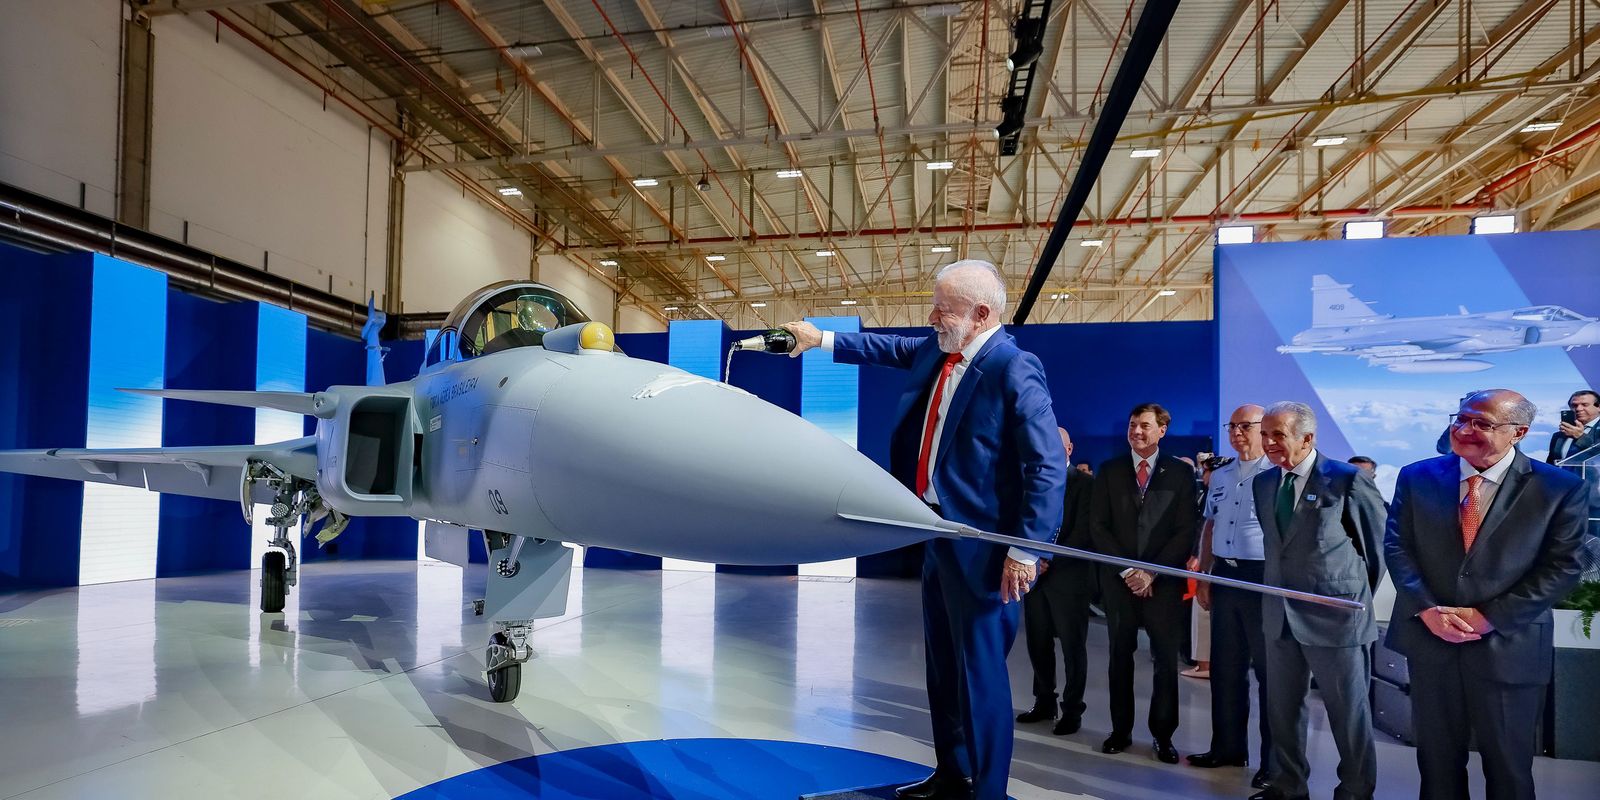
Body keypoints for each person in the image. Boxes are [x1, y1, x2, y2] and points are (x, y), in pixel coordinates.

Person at [780, 260, 1066, 800]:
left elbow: (1047, 466)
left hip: (985, 552)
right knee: (942, 668)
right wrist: (820, 339)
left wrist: (1025, 551)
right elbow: (888, 348)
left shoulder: (1014, 367)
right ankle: (952, 775)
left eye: (944, 309)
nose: (932, 317)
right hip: (936, 535)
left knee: (979, 675)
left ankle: (988, 792)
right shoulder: (940, 350)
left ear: (981, 314)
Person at [1385, 389, 1586, 800]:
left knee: (1509, 770)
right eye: (1461, 419)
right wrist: (1427, 610)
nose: (1464, 430)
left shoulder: (1558, 487)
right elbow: (1398, 547)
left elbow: (1563, 566)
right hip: (1432, 642)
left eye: (1482, 424)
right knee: (1437, 767)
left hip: (1509, 646)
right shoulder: (1417, 476)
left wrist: (1489, 616)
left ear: (1519, 433)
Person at [1250, 401, 1385, 800]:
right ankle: (1287, 786)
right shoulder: (1264, 483)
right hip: (1279, 614)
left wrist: (1348, 600)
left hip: (1336, 617)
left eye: (1278, 435)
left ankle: (1356, 791)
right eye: (1265, 434)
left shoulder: (1347, 480)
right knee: (1283, 709)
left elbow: (1375, 551)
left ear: (1307, 438)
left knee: (1348, 713)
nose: (1268, 443)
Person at [1089, 403, 1197, 764]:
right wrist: (1128, 572)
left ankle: (1163, 736)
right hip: (1119, 584)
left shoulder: (1181, 474)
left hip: (1162, 585)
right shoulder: (1109, 470)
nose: (1137, 431)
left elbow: (1185, 530)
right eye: (1133, 424)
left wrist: (1151, 572)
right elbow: (1098, 526)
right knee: (1119, 657)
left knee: (1165, 661)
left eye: (1145, 426)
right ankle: (1120, 731)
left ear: (1162, 430)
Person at [1189, 404, 1273, 791]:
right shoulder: (1221, 475)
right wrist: (1205, 575)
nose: (1237, 433)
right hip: (1224, 574)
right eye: (1232, 426)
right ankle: (1227, 748)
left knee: (1270, 674)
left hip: (1262, 579)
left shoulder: (1277, 473)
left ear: (1263, 429)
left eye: (1246, 426)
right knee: (1225, 668)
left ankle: (1273, 762)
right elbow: (1210, 524)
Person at [1017, 427, 1096, 736]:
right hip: (1036, 577)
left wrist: (1048, 559)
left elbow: (1084, 531)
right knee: (1038, 642)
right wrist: (1034, 559)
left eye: (1057, 443)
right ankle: (1044, 702)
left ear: (1070, 448)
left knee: (1073, 648)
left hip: (1069, 578)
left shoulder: (1086, 484)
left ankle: (1072, 710)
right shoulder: (1033, 482)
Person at [1548, 389, 1599, 468]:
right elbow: (1550, 464)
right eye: (1574, 405)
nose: (1578, 409)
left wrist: (1581, 437)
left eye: (1585, 405)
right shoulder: (1559, 436)